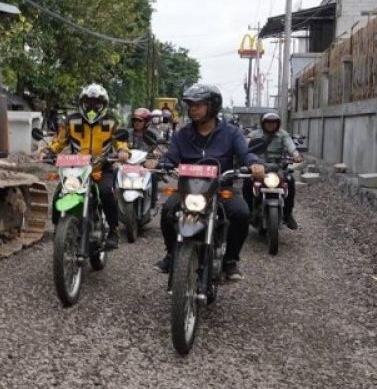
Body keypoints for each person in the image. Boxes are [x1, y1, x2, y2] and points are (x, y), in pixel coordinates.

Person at [155, 83, 264, 281]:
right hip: (188, 189)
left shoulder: (231, 133)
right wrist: (159, 163)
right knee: (168, 209)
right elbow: (171, 157)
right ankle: (172, 255)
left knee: (241, 213)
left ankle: (230, 260)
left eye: (198, 104)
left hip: (220, 187)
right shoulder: (182, 134)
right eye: (190, 105)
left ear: (212, 106)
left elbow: (246, 154)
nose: (193, 109)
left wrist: (255, 164)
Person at [40, 83, 129, 249]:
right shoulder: (72, 120)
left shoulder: (111, 121)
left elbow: (120, 142)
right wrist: (48, 151)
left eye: (96, 102)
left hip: (101, 168)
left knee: (105, 193)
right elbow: (59, 141)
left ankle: (114, 231)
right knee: (60, 192)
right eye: (88, 101)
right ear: (82, 102)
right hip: (77, 170)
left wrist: (123, 152)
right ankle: (60, 227)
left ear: (103, 104)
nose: (92, 105)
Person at [244, 112, 303, 229]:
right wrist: (243, 155)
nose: (271, 125)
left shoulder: (283, 134)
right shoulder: (254, 134)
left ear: (278, 124)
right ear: (263, 123)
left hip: (278, 167)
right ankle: (248, 212)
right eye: (268, 122)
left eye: (274, 123)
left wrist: (296, 155)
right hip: (259, 167)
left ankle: (287, 214)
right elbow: (245, 147)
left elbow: (291, 146)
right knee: (247, 183)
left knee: (290, 181)